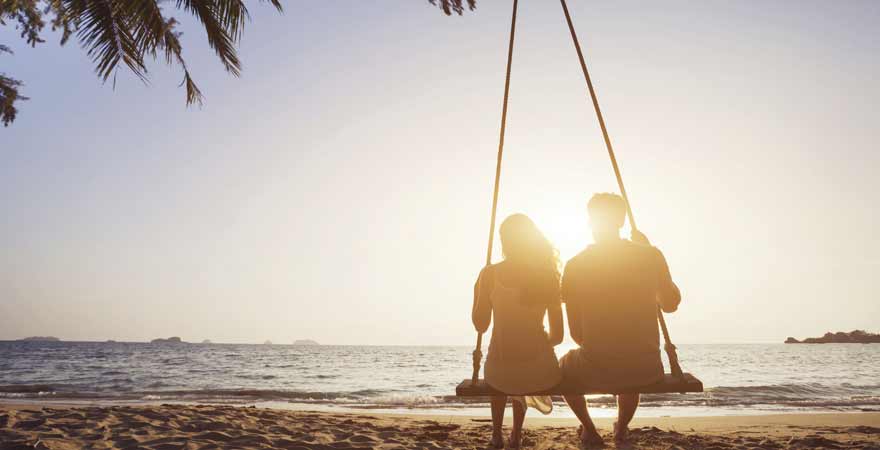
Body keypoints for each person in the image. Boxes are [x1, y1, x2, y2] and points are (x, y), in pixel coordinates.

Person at [560, 193, 681, 447]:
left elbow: (577, 334)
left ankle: (590, 429)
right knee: (631, 357)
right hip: (646, 368)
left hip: (598, 366)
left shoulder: (575, 265)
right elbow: (670, 304)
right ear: (622, 219)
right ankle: (621, 428)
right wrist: (650, 249)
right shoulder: (651, 255)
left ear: (591, 220)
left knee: (563, 369)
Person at [472, 213, 565, 449]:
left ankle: (496, 435)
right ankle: (516, 434)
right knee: (522, 365)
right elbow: (558, 336)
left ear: (504, 241)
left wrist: (478, 291)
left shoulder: (489, 275)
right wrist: (537, 345)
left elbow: (480, 324)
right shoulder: (548, 276)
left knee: (503, 368)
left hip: (500, 370)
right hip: (540, 371)